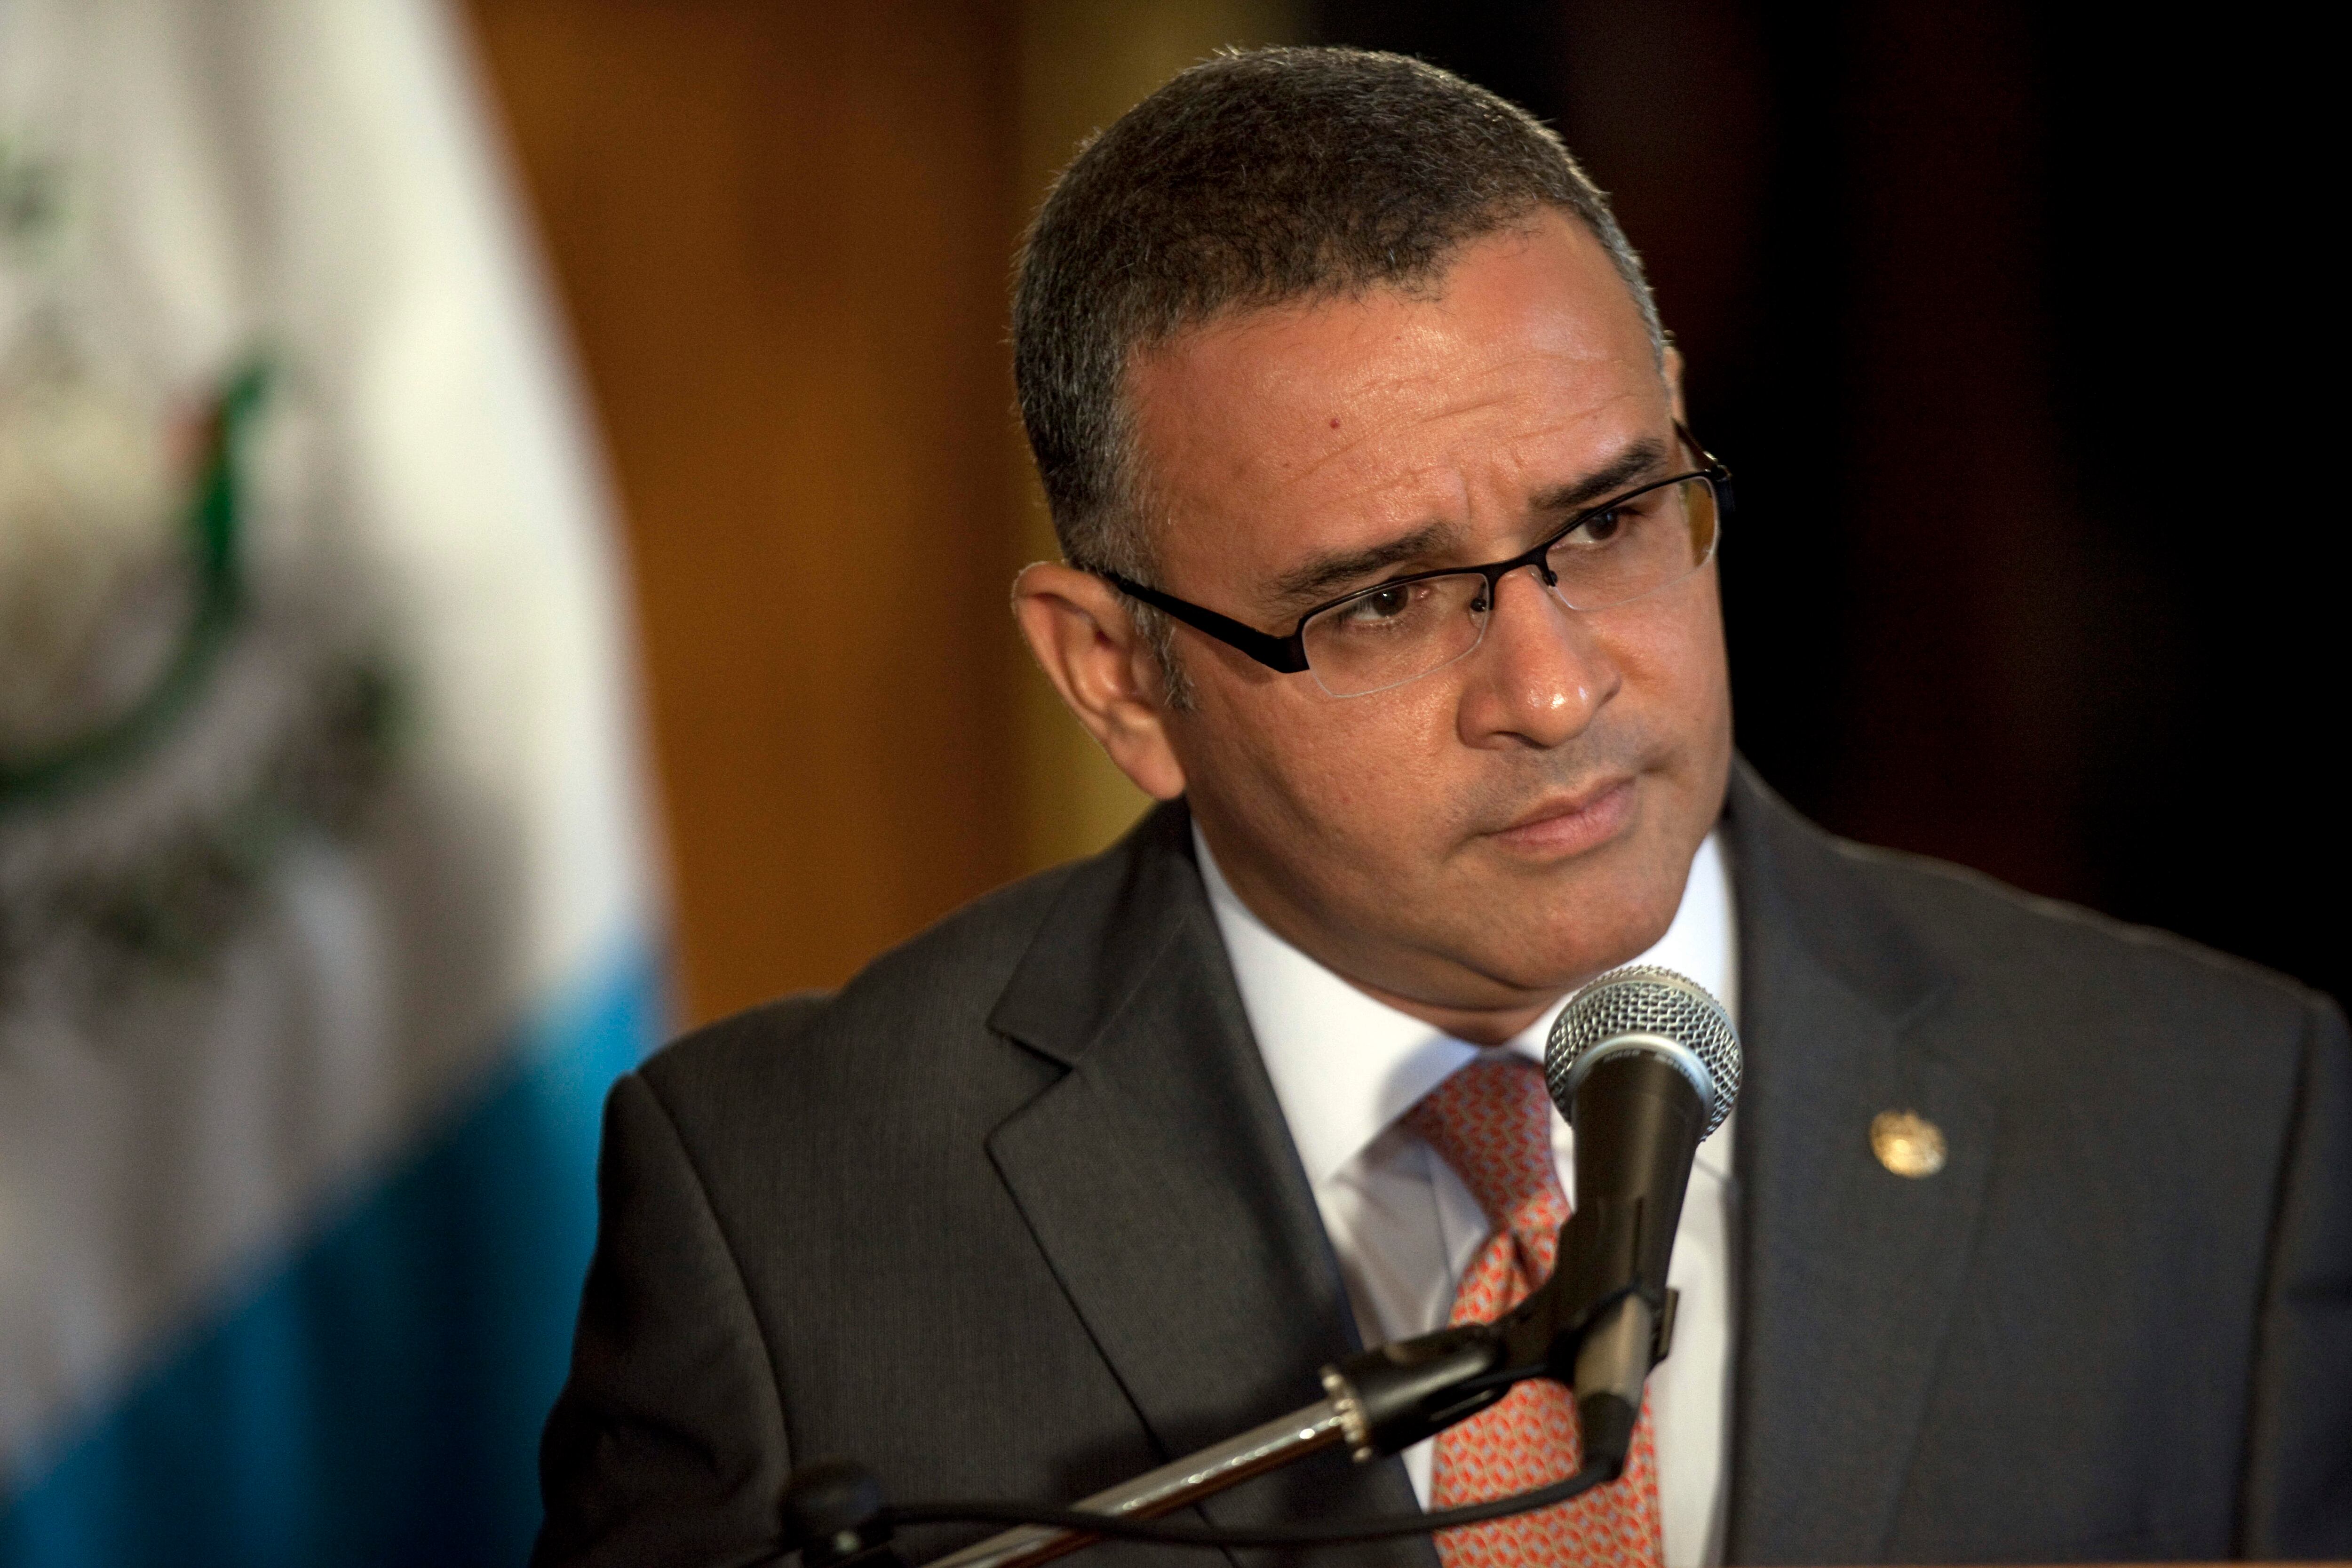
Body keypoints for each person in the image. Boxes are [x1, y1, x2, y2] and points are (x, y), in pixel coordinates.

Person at [532, 48, 2351, 1568]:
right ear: (1116, 678)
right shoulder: (788, 1214)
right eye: (1387, 600)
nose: (1554, 693)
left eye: (1607, 520)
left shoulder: (2213, 1123)